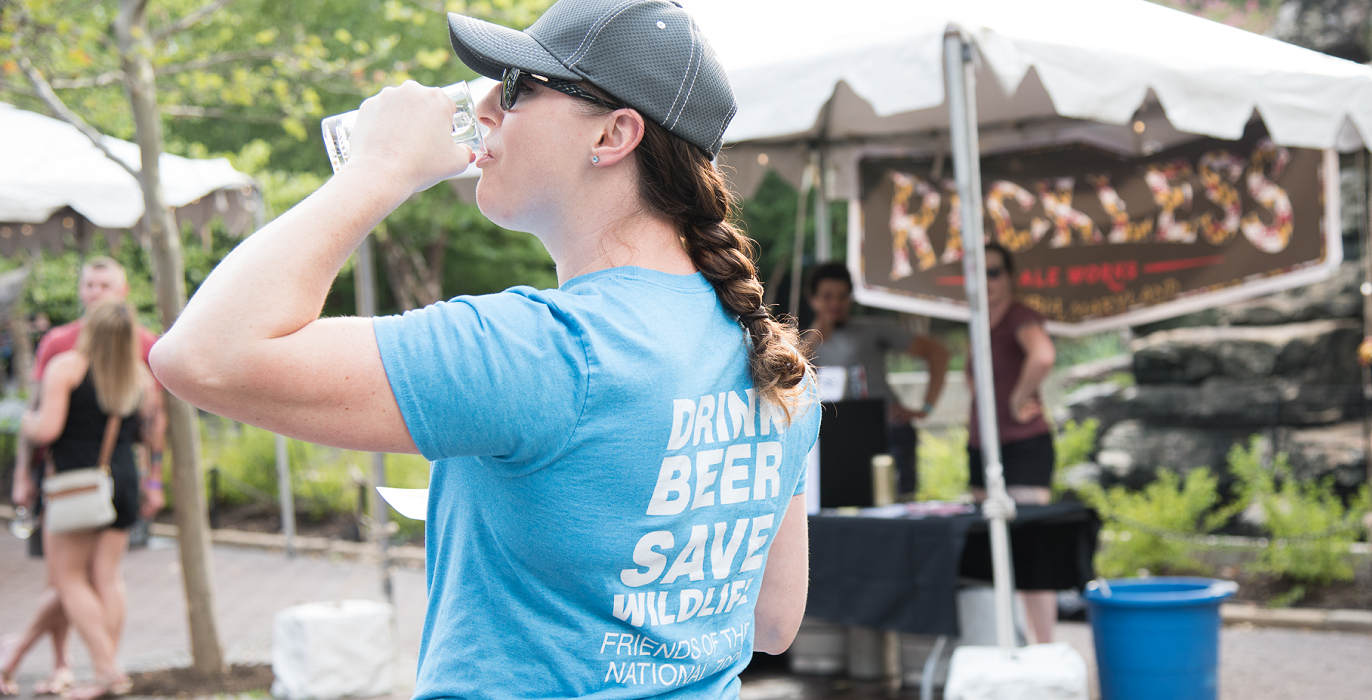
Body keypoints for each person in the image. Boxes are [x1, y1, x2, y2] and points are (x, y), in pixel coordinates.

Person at [150, 1, 818, 698]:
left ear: (615, 134)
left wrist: (378, 169)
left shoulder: (538, 350)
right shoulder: (772, 362)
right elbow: (771, 622)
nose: (485, 108)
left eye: (517, 89)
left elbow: (201, 356)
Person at [3, 258, 165, 697]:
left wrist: (28, 422)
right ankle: (24, 659)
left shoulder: (67, 366)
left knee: (68, 580)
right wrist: (156, 481)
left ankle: (106, 671)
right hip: (123, 483)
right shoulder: (139, 375)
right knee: (107, 578)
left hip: (75, 485)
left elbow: (49, 429)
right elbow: (152, 431)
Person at [965, 242, 1058, 644]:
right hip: (983, 448)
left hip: (1022, 447)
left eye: (995, 271)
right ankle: (1010, 645)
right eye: (979, 272)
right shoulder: (978, 320)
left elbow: (1043, 355)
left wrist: (1019, 398)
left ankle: (1045, 647)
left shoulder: (1020, 316)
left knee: (1031, 552)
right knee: (992, 552)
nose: (987, 281)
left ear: (1010, 276)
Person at [802, 262, 950, 499]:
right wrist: (817, 332)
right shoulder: (804, 343)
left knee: (898, 503)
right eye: (827, 296)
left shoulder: (873, 330)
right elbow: (786, 376)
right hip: (835, 437)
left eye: (842, 296)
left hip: (887, 431)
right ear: (813, 300)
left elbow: (938, 353)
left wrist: (925, 408)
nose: (835, 303)